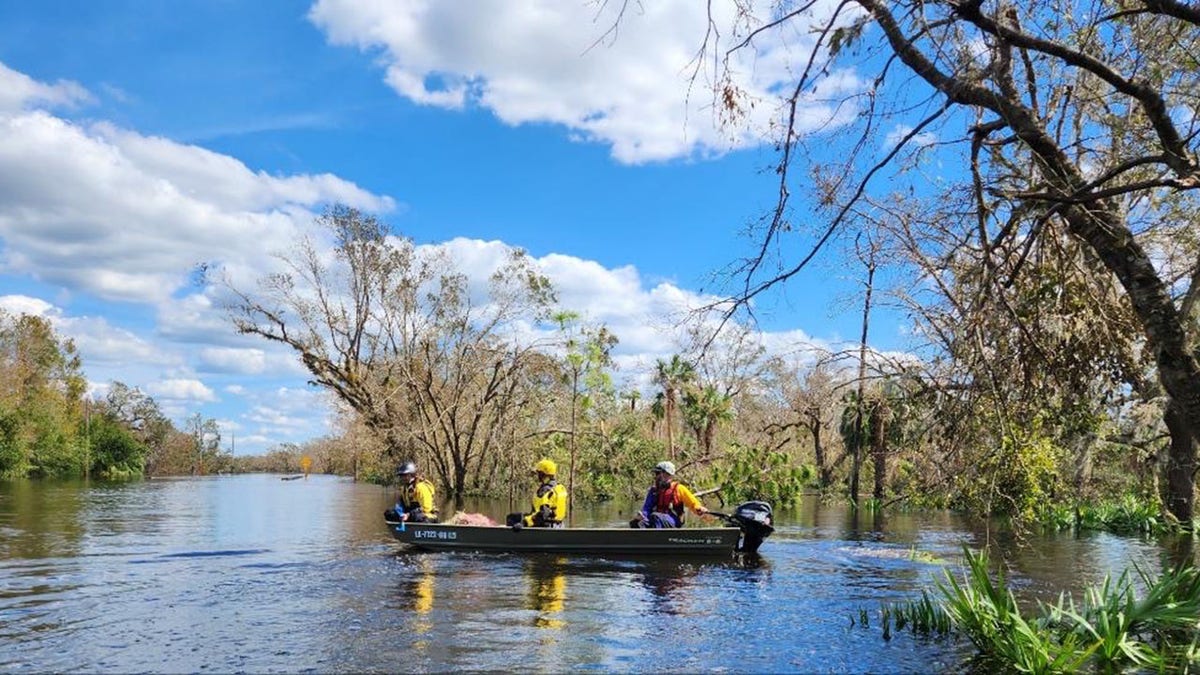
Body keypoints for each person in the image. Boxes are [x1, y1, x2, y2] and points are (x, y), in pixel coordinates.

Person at [630, 461, 709, 528]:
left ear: (667, 474)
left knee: (656, 517)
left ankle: (656, 539)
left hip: (674, 520)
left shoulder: (679, 489)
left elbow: (693, 503)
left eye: (658, 473)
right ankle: (641, 542)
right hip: (656, 518)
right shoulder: (654, 490)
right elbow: (647, 508)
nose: (656, 476)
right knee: (636, 523)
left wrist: (699, 508)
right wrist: (641, 516)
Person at [507, 458, 568, 530]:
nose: (538, 475)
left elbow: (543, 514)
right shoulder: (560, 488)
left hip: (546, 526)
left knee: (511, 519)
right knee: (514, 516)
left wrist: (524, 523)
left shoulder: (546, 490)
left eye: (539, 473)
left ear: (543, 474)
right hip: (559, 525)